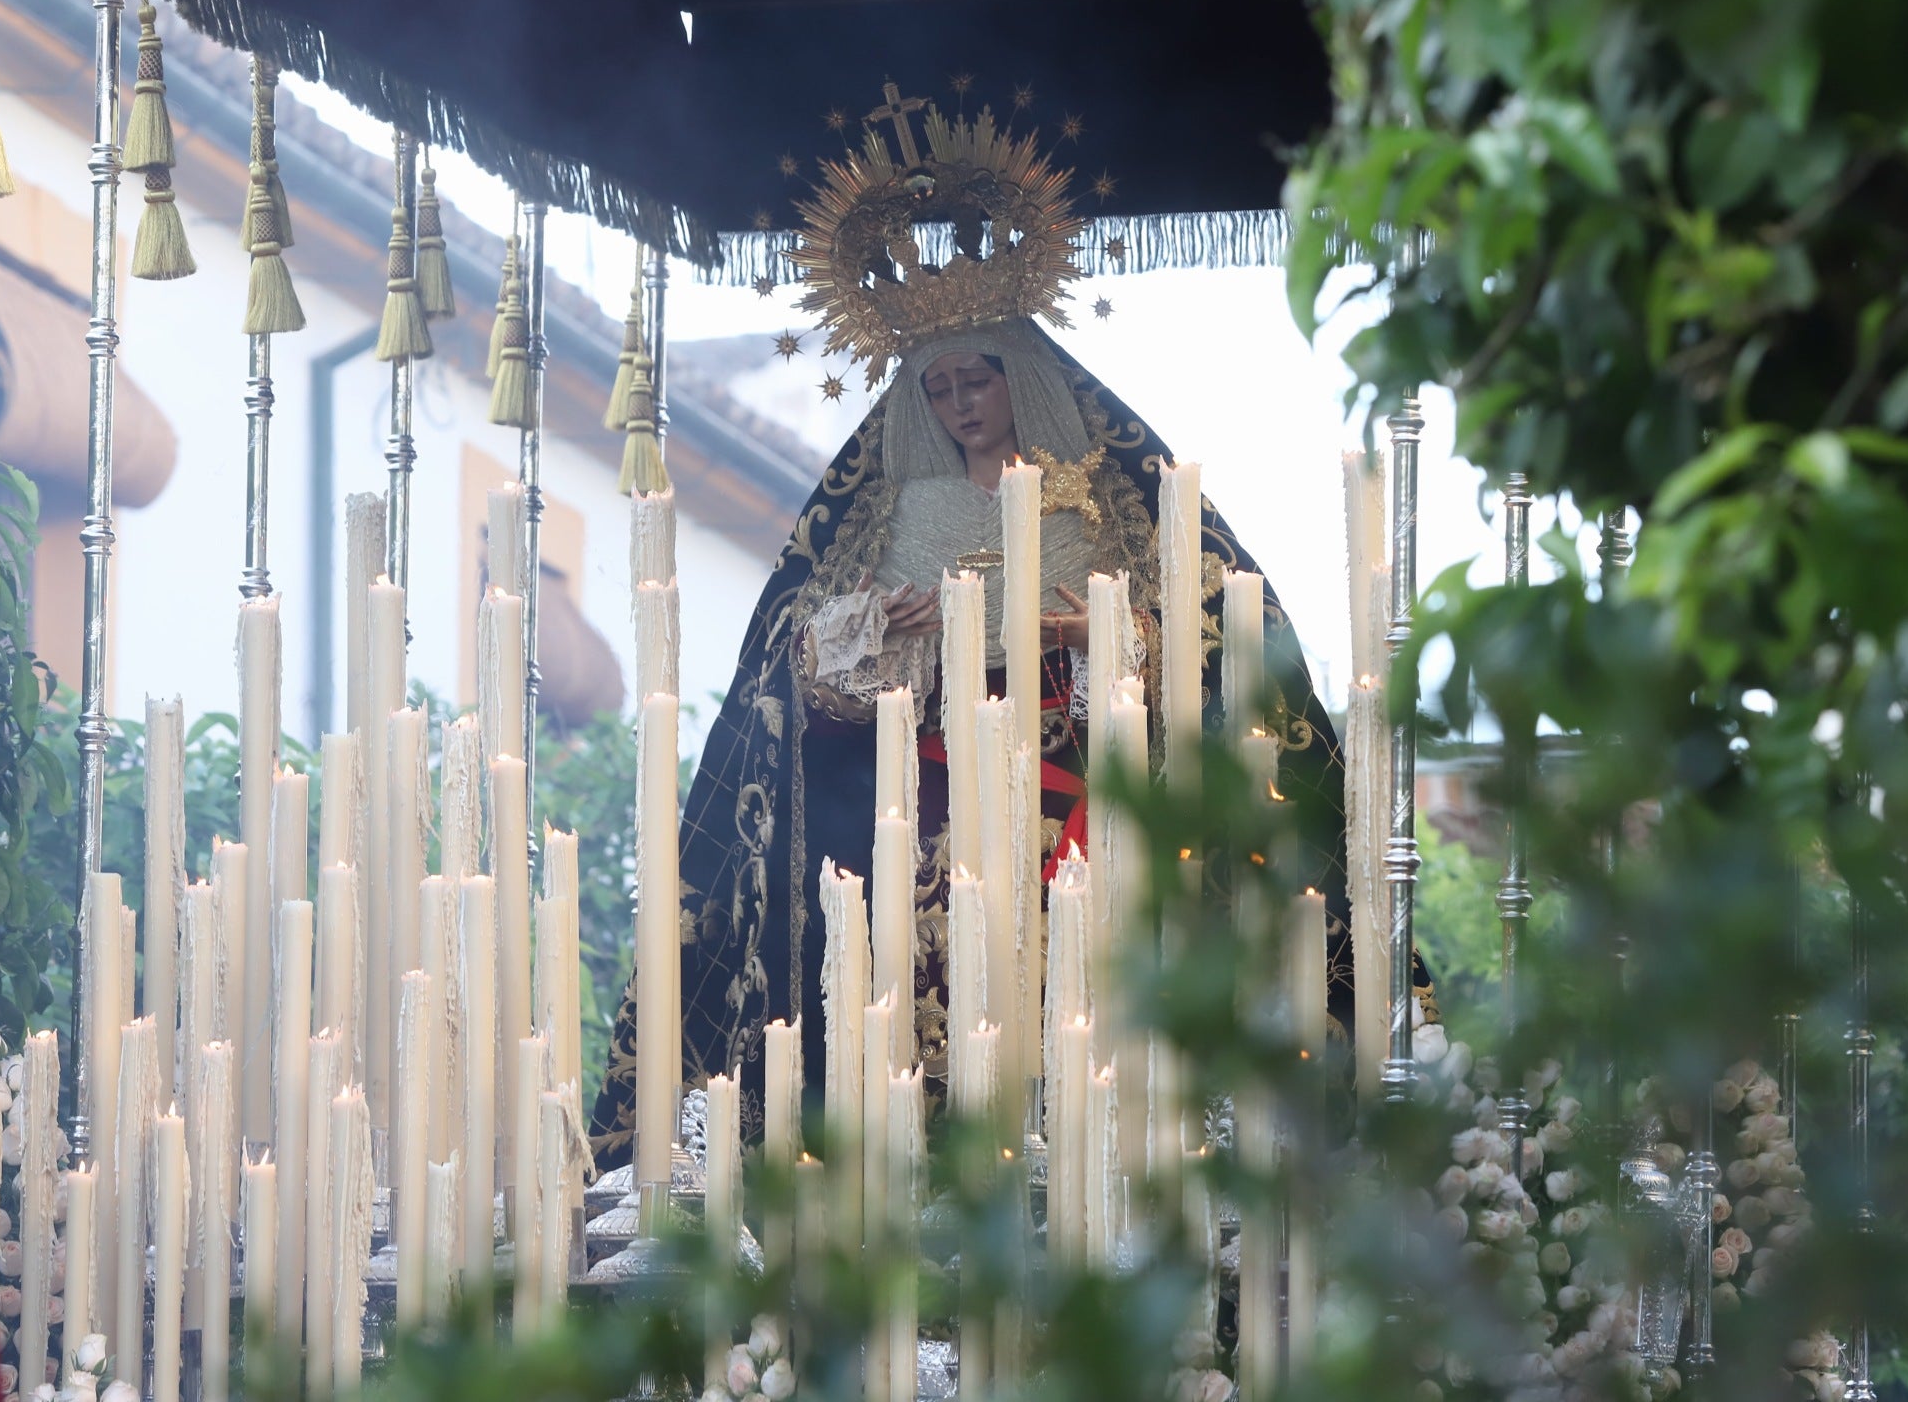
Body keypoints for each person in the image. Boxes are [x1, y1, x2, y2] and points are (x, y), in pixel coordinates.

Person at [588, 91, 1393, 1165]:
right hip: (918, 797)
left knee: (1078, 983)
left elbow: (1188, 648)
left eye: (979, 379)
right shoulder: (897, 509)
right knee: (907, 987)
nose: (963, 403)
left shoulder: (1098, 501)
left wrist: (1095, 634)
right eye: (941, 387)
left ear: (1021, 380)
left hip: (1076, 785)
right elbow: (804, 683)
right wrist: (881, 630)